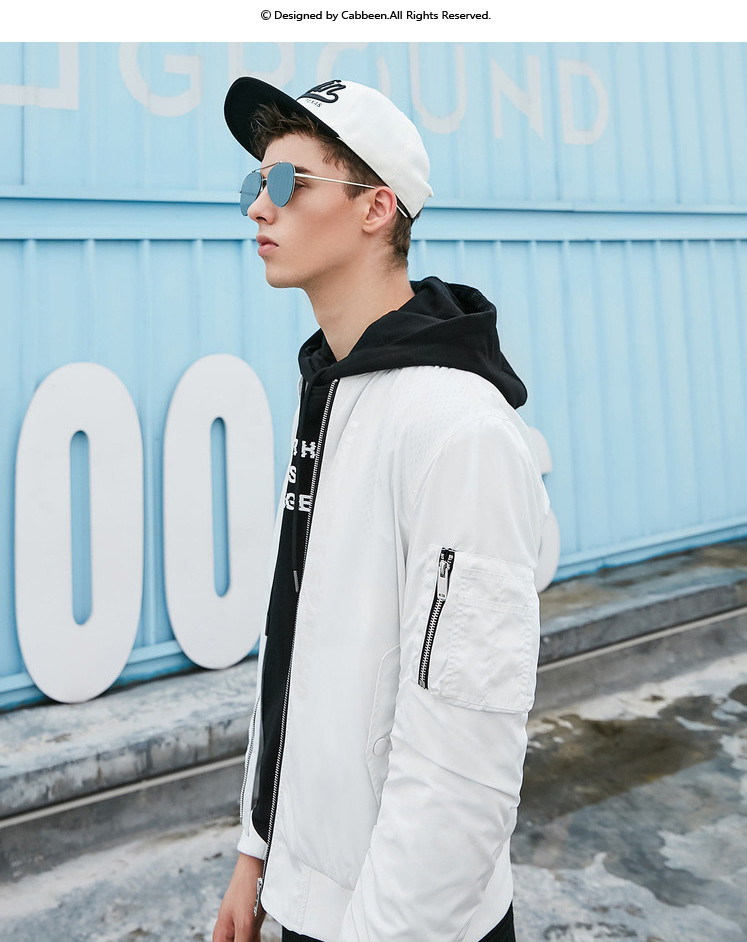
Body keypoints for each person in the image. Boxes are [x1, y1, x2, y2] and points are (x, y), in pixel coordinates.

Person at [213, 76, 550, 942]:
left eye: (285, 182)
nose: (257, 206)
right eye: (254, 181)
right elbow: (294, 646)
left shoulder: (457, 430)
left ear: (375, 208)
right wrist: (259, 850)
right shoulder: (333, 392)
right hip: (311, 894)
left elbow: (464, 759)